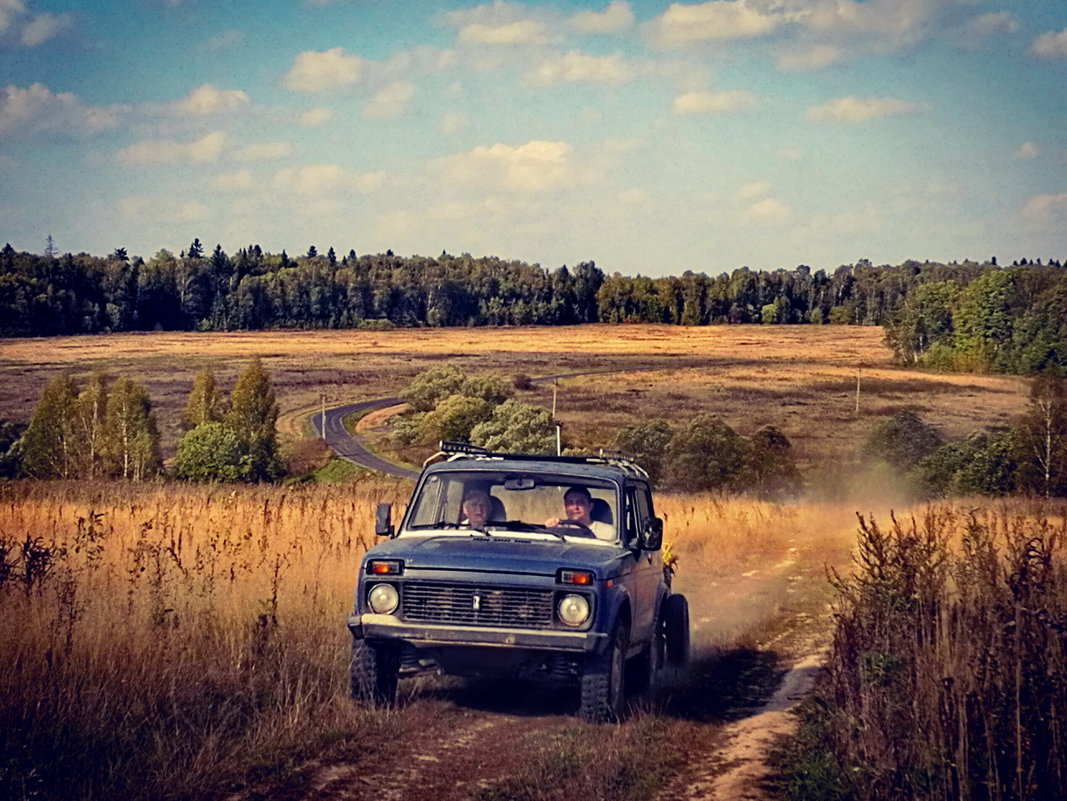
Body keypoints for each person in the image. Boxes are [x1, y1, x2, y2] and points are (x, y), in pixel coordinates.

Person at [545, 486, 615, 541]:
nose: (575, 507)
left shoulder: (608, 532)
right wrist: (549, 530)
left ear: (590, 507)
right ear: (565, 507)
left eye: (580, 502)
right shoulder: (558, 529)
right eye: (570, 503)